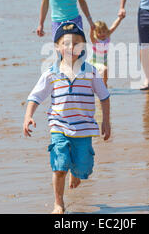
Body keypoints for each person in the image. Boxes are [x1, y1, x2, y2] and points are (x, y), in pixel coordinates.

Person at [23, 22, 111, 214]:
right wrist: (28, 116)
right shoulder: (51, 73)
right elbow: (36, 96)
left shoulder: (91, 72)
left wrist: (106, 121)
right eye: (67, 43)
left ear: (83, 47)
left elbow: (104, 96)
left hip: (84, 128)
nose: (72, 48)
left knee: (84, 168)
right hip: (59, 126)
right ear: (57, 47)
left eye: (77, 44)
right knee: (59, 166)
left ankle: (77, 172)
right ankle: (58, 203)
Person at [89, 16, 124, 87]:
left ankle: (103, 85)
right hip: (95, 63)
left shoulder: (107, 37)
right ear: (95, 33)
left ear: (106, 31)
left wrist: (120, 18)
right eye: (99, 32)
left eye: (104, 31)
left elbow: (114, 26)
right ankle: (103, 87)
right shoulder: (95, 41)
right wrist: (91, 29)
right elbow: (91, 36)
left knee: (105, 75)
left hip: (104, 62)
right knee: (104, 70)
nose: (102, 34)